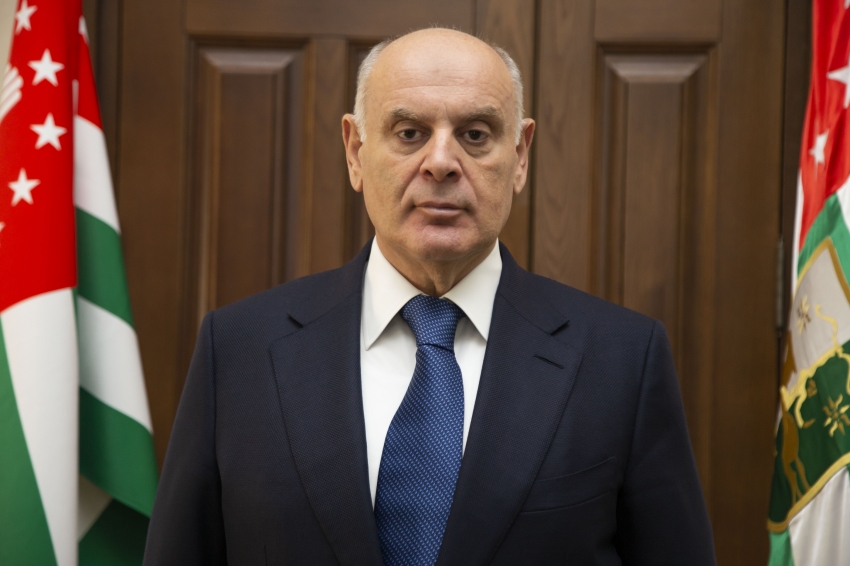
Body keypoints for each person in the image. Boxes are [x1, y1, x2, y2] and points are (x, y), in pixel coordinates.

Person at [144, 28, 715, 565]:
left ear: (520, 155)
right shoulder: (239, 349)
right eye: (409, 133)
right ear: (354, 151)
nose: (441, 163)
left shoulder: (622, 359)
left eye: (475, 134)